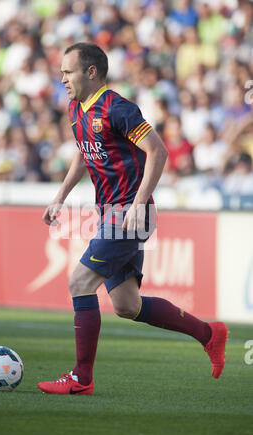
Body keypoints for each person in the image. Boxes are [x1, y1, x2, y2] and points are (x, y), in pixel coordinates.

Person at [38, 43, 228, 395]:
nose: (62, 78)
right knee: (127, 305)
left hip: (129, 212)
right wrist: (59, 197)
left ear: (91, 72)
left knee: (80, 282)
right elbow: (83, 153)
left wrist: (138, 203)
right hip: (110, 213)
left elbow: (158, 150)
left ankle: (82, 378)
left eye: (68, 71)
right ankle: (209, 333)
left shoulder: (118, 108)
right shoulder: (76, 109)